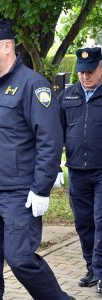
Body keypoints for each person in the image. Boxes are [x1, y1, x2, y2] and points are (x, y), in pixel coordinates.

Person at [0, 20, 74, 300]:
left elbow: (49, 140)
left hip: (19, 194)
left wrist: (41, 189)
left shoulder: (33, 85)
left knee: (20, 259)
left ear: (7, 46)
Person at [59, 47, 102, 293]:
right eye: (81, 72)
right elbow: (57, 132)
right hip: (76, 170)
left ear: (101, 68)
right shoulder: (68, 95)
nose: (85, 76)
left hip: (101, 172)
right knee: (84, 223)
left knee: (101, 221)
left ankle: (101, 271)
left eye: (90, 71)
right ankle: (92, 268)